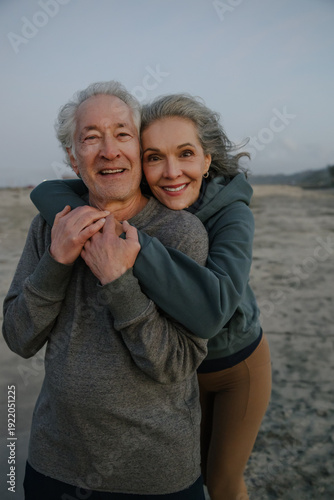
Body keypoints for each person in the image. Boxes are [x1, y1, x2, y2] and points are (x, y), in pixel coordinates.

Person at [31, 93, 272, 500]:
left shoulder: (231, 213)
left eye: (185, 154)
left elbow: (213, 308)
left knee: (223, 481)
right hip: (183, 374)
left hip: (235, 365)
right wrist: (83, 220)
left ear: (207, 160)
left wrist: (129, 241)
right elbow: (50, 192)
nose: (171, 171)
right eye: (154, 156)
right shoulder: (142, 194)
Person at [2, 82, 212, 500]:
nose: (109, 150)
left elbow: (175, 365)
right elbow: (18, 337)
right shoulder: (49, 225)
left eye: (122, 133)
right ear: (73, 157)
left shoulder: (180, 233)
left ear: (139, 147)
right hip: (54, 464)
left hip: (155, 473)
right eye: (91, 137)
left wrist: (119, 284)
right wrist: (55, 263)